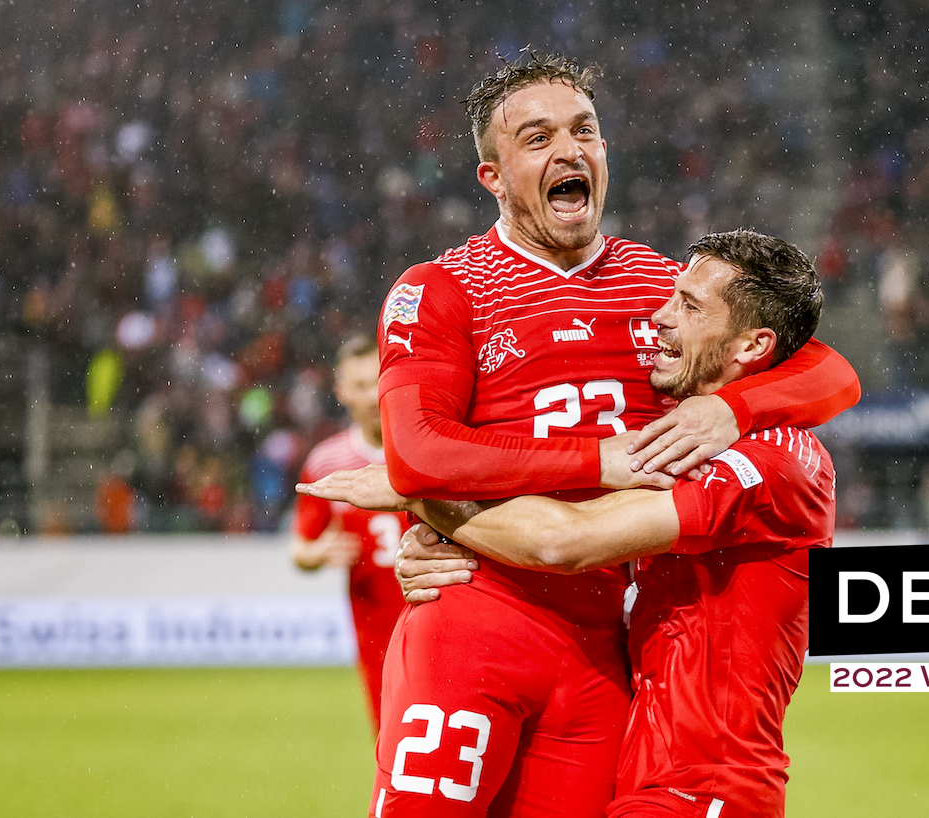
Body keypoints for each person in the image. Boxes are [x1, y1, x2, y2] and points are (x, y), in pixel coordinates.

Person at [361, 53, 859, 817]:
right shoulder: (443, 287)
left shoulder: (666, 288)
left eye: (584, 131)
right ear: (492, 176)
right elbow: (418, 452)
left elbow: (830, 371)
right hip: (474, 616)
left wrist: (739, 409)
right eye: (537, 138)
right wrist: (595, 458)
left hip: (601, 649)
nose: (569, 150)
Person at [302, 229, 835, 817]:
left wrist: (424, 495)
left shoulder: (768, 462)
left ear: (752, 346)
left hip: (707, 788)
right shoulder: (696, 438)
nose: (659, 316)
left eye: (687, 305)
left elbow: (565, 539)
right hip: (643, 772)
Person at [290, 335, 406, 734]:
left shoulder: (425, 449)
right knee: (391, 737)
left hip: (443, 615)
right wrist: (320, 552)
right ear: (341, 392)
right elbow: (300, 551)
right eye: (359, 385)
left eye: (378, 380)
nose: (373, 395)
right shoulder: (327, 462)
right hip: (375, 632)